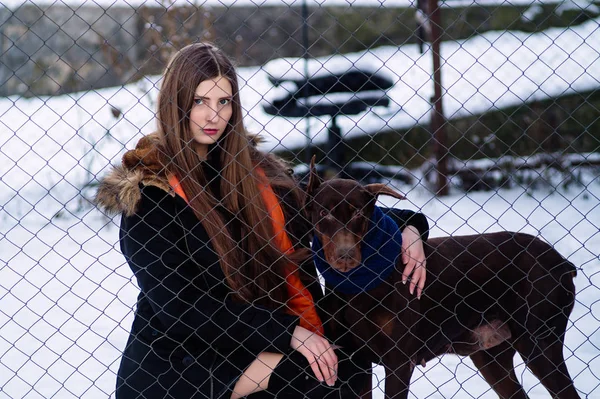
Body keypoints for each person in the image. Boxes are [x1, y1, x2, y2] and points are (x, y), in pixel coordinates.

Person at [95, 42, 429, 399]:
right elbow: (183, 310)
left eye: (223, 102)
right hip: (183, 359)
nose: (213, 116)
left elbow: (333, 213)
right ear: (174, 104)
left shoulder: (259, 177)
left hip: (254, 337)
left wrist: (405, 228)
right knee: (309, 374)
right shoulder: (152, 198)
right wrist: (290, 333)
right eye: (199, 102)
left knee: (343, 359)